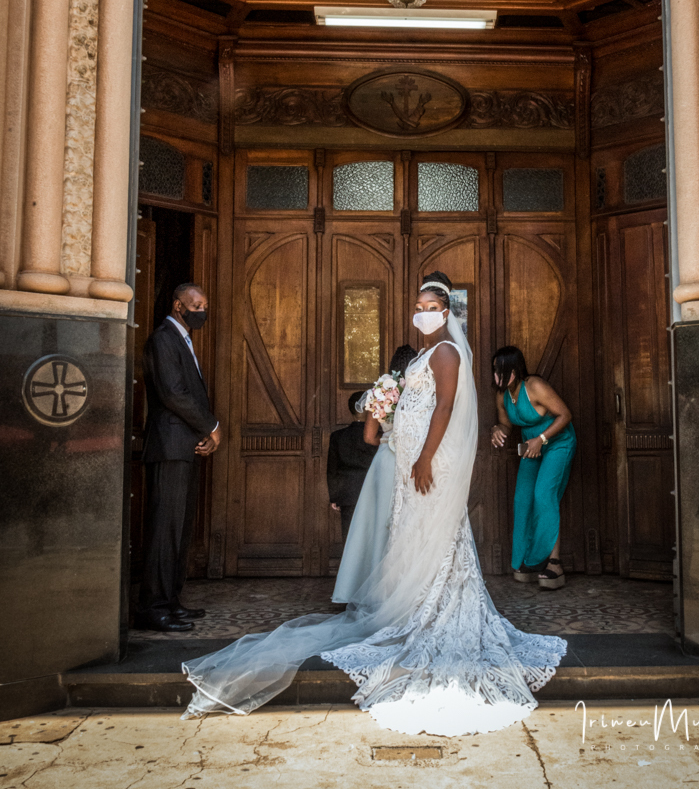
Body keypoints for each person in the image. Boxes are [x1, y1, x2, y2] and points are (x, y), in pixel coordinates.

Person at [182, 271, 565, 736]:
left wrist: (424, 458)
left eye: (429, 306)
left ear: (446, 313)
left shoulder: (446, 353)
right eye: (417, 306)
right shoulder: (423, 354)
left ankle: (434, 611)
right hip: (408, 470)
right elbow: (410, 408)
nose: (421, 313)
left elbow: (444, 407)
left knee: (434, 538)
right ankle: (410, 608)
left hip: (429, 468)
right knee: (409, 537)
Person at [137, 283, 221, 632]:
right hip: (169, 447)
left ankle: (171, 601)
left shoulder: (183, 340)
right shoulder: (163, 339)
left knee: (180, 530)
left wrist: (201, 434)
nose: (201, 310)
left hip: (185, 445)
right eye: (195, 304)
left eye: (204, 304)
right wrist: (212, 426)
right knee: (164, 530)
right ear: (178, 306)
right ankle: (152, 608)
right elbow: (173, 393)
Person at [332, 344, 416, 604]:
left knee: (380, 522)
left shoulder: (381, 390)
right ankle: (409, 586)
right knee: (409, 520)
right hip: (413, 459)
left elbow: (369, 437)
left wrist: (389, 440)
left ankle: (374, 589)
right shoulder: (420, 389)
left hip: (387, 461)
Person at [491, 345, 576, 588]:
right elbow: (506, 425)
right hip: (531, 447)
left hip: (557, 442)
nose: (496, 373)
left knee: (544, 495)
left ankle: (554, 564)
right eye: (494, 369)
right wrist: (497, 429)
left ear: (515, 371)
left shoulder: (535, 386)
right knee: (523, 500)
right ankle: (530, 560)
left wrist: (542, 439)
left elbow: (565, 415)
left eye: (501, 369)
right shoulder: (502, 394)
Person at [327, 391, 378, 542]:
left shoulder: (338, 436)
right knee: (372, 536)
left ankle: (350, 565)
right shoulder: (377, 435)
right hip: (373, 490)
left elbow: (332, 469)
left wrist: (334, 497)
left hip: (348, 494)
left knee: (349, 537)